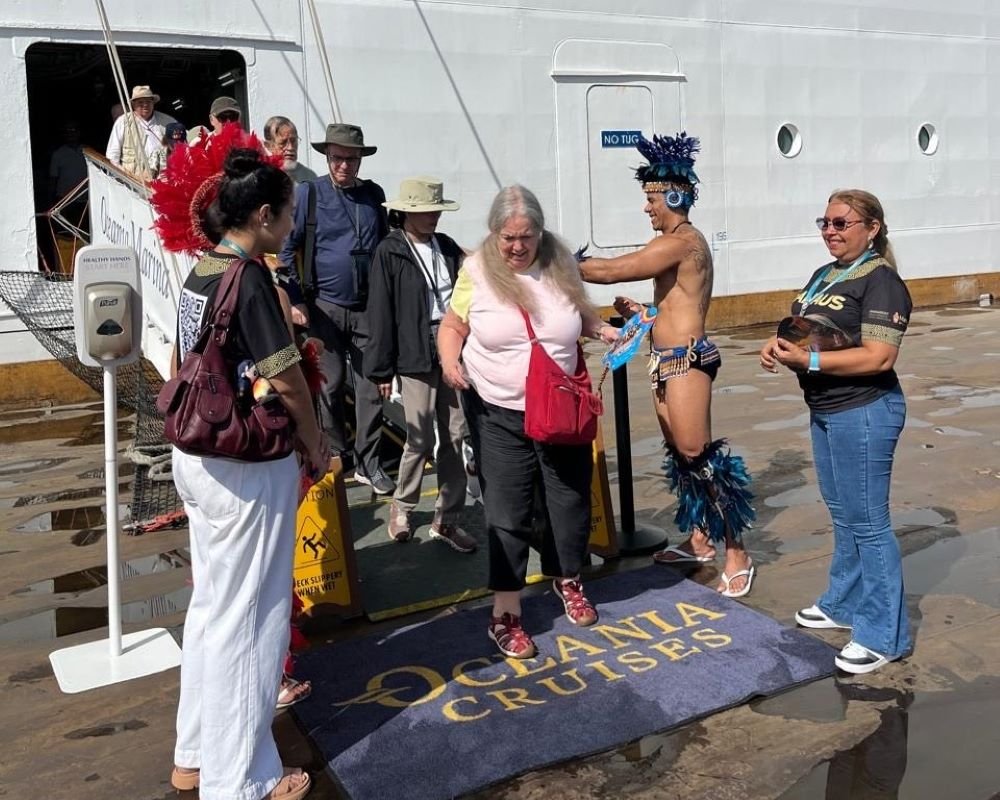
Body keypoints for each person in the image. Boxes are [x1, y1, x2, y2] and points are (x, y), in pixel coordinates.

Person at [162, 145, 325, 800]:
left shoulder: (201, 269)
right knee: (252, 619)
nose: (291, 227)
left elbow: (182, 357)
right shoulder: (250, 279)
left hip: (198, 454)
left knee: (213, 608)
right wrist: (315, 442)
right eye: (287, 215)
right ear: (262, 215)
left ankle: (196, 754)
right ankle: (240, 781)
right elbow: (285, 378)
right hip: (244, 466)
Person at [438, 185, 618, 659]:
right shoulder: (476, 271)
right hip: (499, 412)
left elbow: (578, 317)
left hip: (560, 409)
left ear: (540, 232)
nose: (517, 247)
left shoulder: (561, 263)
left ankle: (568, 579)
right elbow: (453, 326)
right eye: (508, 237)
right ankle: (505, 612)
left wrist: (604, 329)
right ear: (494, 233)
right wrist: (450, 362)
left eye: (527, 236)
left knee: (569, 501)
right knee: (508, 510)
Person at [579, 132, 755, 597]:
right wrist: (644, 312)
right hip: (665, 361)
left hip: (687, 364)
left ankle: (737, 551)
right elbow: (675, 305)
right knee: (682, 457)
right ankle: (699, 540)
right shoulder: (671, 243)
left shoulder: (682, 243)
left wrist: (557, 261)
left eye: (652, 199)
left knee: (700, 455)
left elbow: (613, 269)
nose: (647, 208)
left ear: (674, 197)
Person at [760, 189, 913, 675]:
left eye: (841, 223)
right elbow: (804, 327)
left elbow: (879, 357)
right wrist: (777, 345)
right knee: (844, 514)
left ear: (872, 228)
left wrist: (810, 361)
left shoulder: (882, 281)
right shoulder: (825, 274)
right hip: (826, 408)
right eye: (824, 222)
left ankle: (883, 635)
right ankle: (843, 603)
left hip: (864, 409)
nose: (830, 231)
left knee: (869, 523)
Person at [278, 122, 394, 493]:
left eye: (351, 159)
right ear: (327, 157)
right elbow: (285, 250)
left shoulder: (374, 195)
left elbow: (387, 247)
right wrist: (295, 300)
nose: (344, 165)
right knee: (329, 387)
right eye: (337, 158)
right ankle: (338, 454)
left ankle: (369, 462)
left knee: (371, 387)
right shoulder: (309, 194)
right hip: (323, 308)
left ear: (360, 160)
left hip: (368, 309)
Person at [365, 176, 476, 551]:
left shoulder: (446, 246)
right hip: (413, 349)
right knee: (419, 436)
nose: (434, 216)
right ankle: (403, 506)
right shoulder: (390, 250)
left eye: (436, 210)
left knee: (455, 434)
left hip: (452, 343)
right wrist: (381, 369)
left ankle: (448, 518)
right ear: (406, 213)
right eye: (427, 210)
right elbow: (380, 311)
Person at [105, 85, 177, 179]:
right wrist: (130, 178)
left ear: (153, 103)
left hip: (163, 180)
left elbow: (183, 148)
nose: (145, 105)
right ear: (133, 104)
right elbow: (112, 158)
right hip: (133, 182)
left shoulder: (169, 122)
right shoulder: (123, 122)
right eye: (140, 102)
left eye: (148, 101)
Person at [263, 116, 318, 184]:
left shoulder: (309, 176)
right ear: (269, 146)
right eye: (283, 143)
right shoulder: (261, 177)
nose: (290, 148)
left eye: (293, 141)